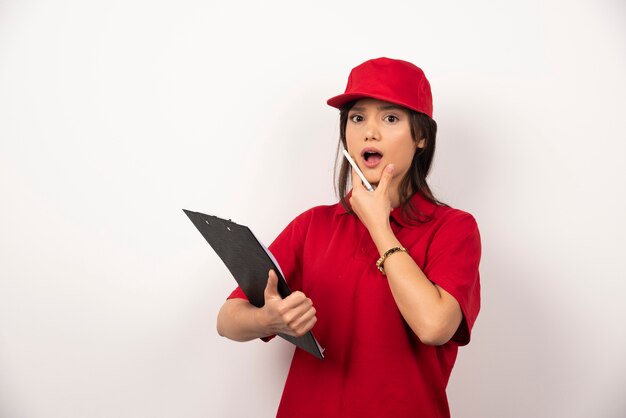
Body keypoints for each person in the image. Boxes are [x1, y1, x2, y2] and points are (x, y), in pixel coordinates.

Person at [216, 57, 481, 418]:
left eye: (390, 118)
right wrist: (269, 320)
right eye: (357, 118)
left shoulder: (454, 228)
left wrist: (378, 225)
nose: (369, 132)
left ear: (420, 135)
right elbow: (228, 318)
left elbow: (434, 326)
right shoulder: (313, 226)